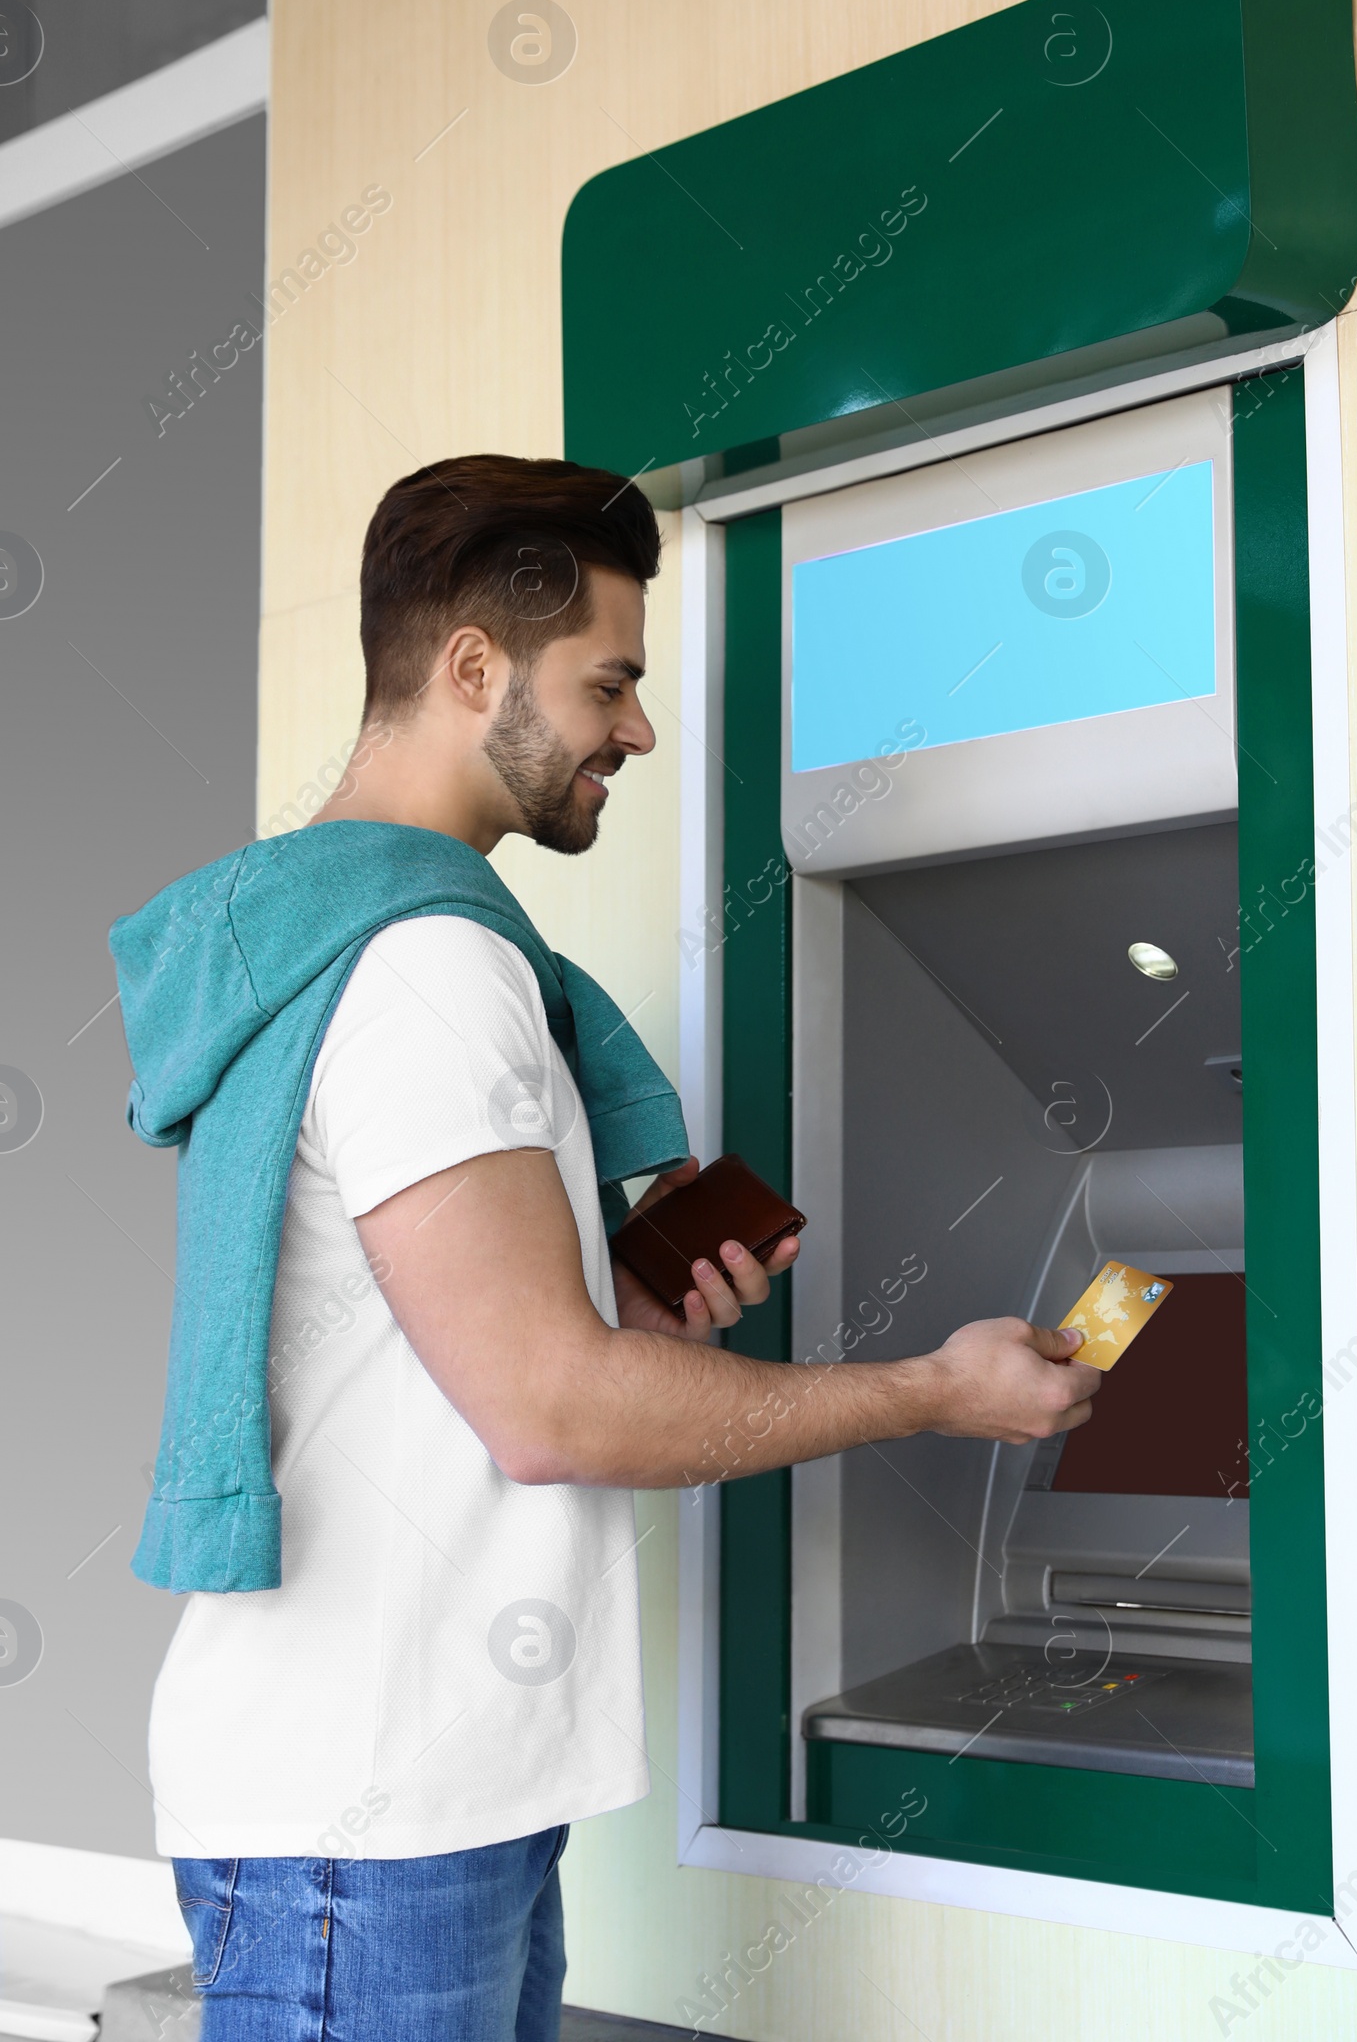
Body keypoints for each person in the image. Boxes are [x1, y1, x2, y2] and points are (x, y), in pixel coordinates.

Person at [115, 456, 1100, 2041]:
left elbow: (454, 1360)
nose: (638, 729)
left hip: (408, 1798)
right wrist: (933, 1390)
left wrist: (624, 1303)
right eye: (613, 681)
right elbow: (553, 1412)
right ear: (472, 669)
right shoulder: (432, 967)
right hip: (375, 1817)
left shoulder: (345, 948)